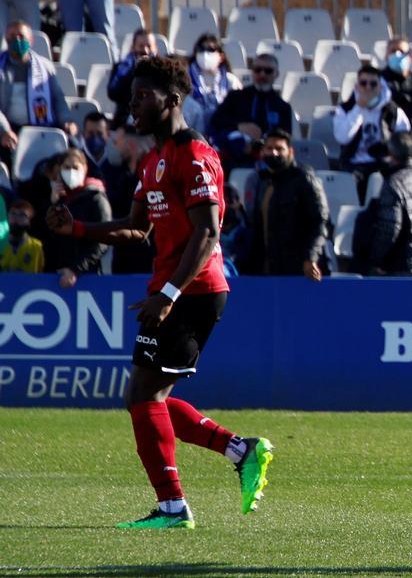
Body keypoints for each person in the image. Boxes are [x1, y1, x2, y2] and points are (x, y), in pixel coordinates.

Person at [46, 55, 273, 529]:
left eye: (143, 97)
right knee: (148, 396)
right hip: (173, 289)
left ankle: (174, 506)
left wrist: (168, 293)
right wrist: (79, 228)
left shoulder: (194, 154)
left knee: (143, 396)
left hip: (193, 289)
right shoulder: (152, 160)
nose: (133, 106)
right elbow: (136, 229)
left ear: (172, 100)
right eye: (131, 98)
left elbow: (208, 233)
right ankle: (240, 451)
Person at [242, 129, 328, 280]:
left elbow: (320, 221)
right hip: (267, 269)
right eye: (269, 148)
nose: (274, 153)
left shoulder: (304, 178)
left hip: (299, 270)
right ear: (263, 151)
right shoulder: (261, 181)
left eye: (279, 149)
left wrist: (311, 258)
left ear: (290, 151)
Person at [367, 130, 412, 277]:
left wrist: (374, 260)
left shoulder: (394, 184)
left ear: (392, 154)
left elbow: (389, 228)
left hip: (401, 268)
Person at [208, 53, 296, 170]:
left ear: (276, 74)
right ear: (252, 72)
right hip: (235, 158)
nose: (262, 74)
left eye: (268, 71)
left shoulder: (282, 107)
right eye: (258, 70)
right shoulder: (236, 97)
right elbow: (216, 120)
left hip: (269, 159)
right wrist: (239, 127)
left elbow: (285, 137)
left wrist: (262, 144)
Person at [334, 64, 407, 202]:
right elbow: (342, 137)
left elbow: (405, 142)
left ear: (380, 86)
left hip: (383, 163)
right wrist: (358, 110)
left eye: (373, 84)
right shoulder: (345, 109)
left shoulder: (393, 111)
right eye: (363, 83)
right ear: (357, 86)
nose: (368, 87)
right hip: (353, 164)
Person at [0, 20, 74, 153]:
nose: (17, 40)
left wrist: (67, 121)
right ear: (6, 39)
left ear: (31, 40)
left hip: (40, 125)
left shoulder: (45, 67)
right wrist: (4, 130)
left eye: (21, 36)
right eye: (12, 36)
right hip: (8, 129)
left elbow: (58, 98)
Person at [43, 147, 110, 286]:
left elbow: (103, 241)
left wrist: (75, 269)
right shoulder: (59, 200)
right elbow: (47, 239)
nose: (71, 171)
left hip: (87, 277)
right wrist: (52, 205)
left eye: (75, 167)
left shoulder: (96, 199)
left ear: (84, 169)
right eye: (67, 167)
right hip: (57, 277)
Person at [101, 122, 154, 273]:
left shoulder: (152, 175)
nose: (114, 147)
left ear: (131, 145)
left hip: (146, 256)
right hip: (122, 252)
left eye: (117, 142)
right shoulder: (116, 172)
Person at [182, 34, 241, 139]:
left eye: (211, 49)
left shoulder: (231, 81)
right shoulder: (186, 80)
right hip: (193, 134)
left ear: (221, 56)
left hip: (223, 135)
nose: (205, 54)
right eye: (201, 50)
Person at [108, 28, 157, 129]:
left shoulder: (160, 71)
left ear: (155, 48)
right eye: (141, 46)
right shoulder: (121, 68)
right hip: (124, 124)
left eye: (149, 46)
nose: (145, 50)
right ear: (133, 47)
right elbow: (113, 92)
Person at [0, 198, 43, 272]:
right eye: (13, 213)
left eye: (22, 215)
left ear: (29, 221)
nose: (16, 218)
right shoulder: (2, 244)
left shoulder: (36, 246)